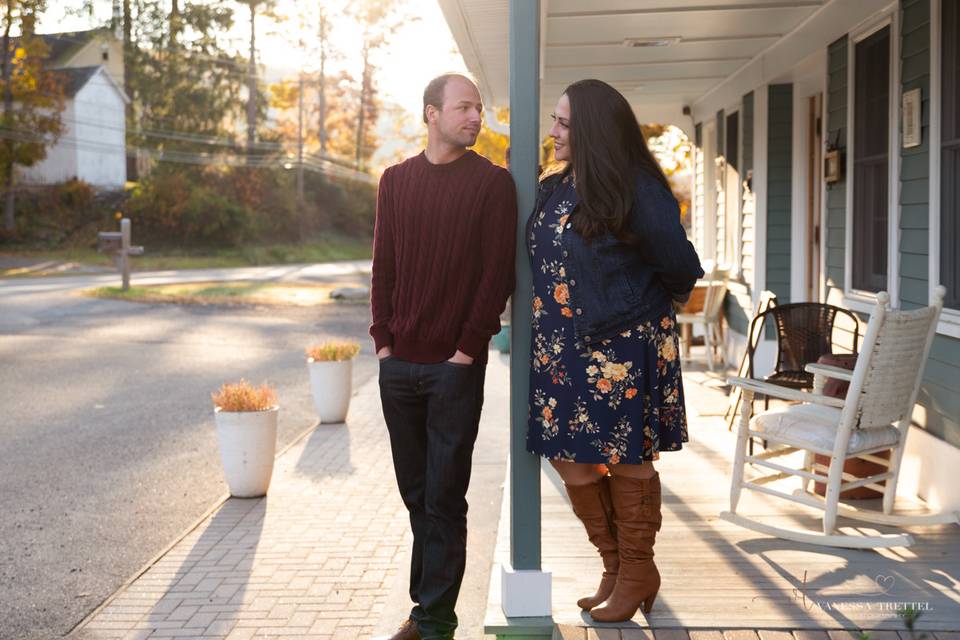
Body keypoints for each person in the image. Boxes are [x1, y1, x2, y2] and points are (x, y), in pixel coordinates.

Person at [525, 79, 703, 622]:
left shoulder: (637, 188)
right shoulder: (557, 186)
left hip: (619, 346)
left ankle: (635, 568)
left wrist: (634, 308)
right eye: (555, 120)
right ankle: (618, 564)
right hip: (558, 349)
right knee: (567, 456)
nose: (553, 132)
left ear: (595, 132)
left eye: (563, 123)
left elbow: (680, 267)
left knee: (628, 461)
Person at [370, 73, 517, 640]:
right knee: (416, 494)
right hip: (398, 363)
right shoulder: (395, 181)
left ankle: (435, 621)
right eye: (464, 107)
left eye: (478, 108)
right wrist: (383, 340)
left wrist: (467, 348)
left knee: (444, 493)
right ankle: (425, 608)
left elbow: (495, 273)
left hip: (454, 368)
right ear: (431, 113)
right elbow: (384, 264)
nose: (476, 117)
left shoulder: (492, 184)